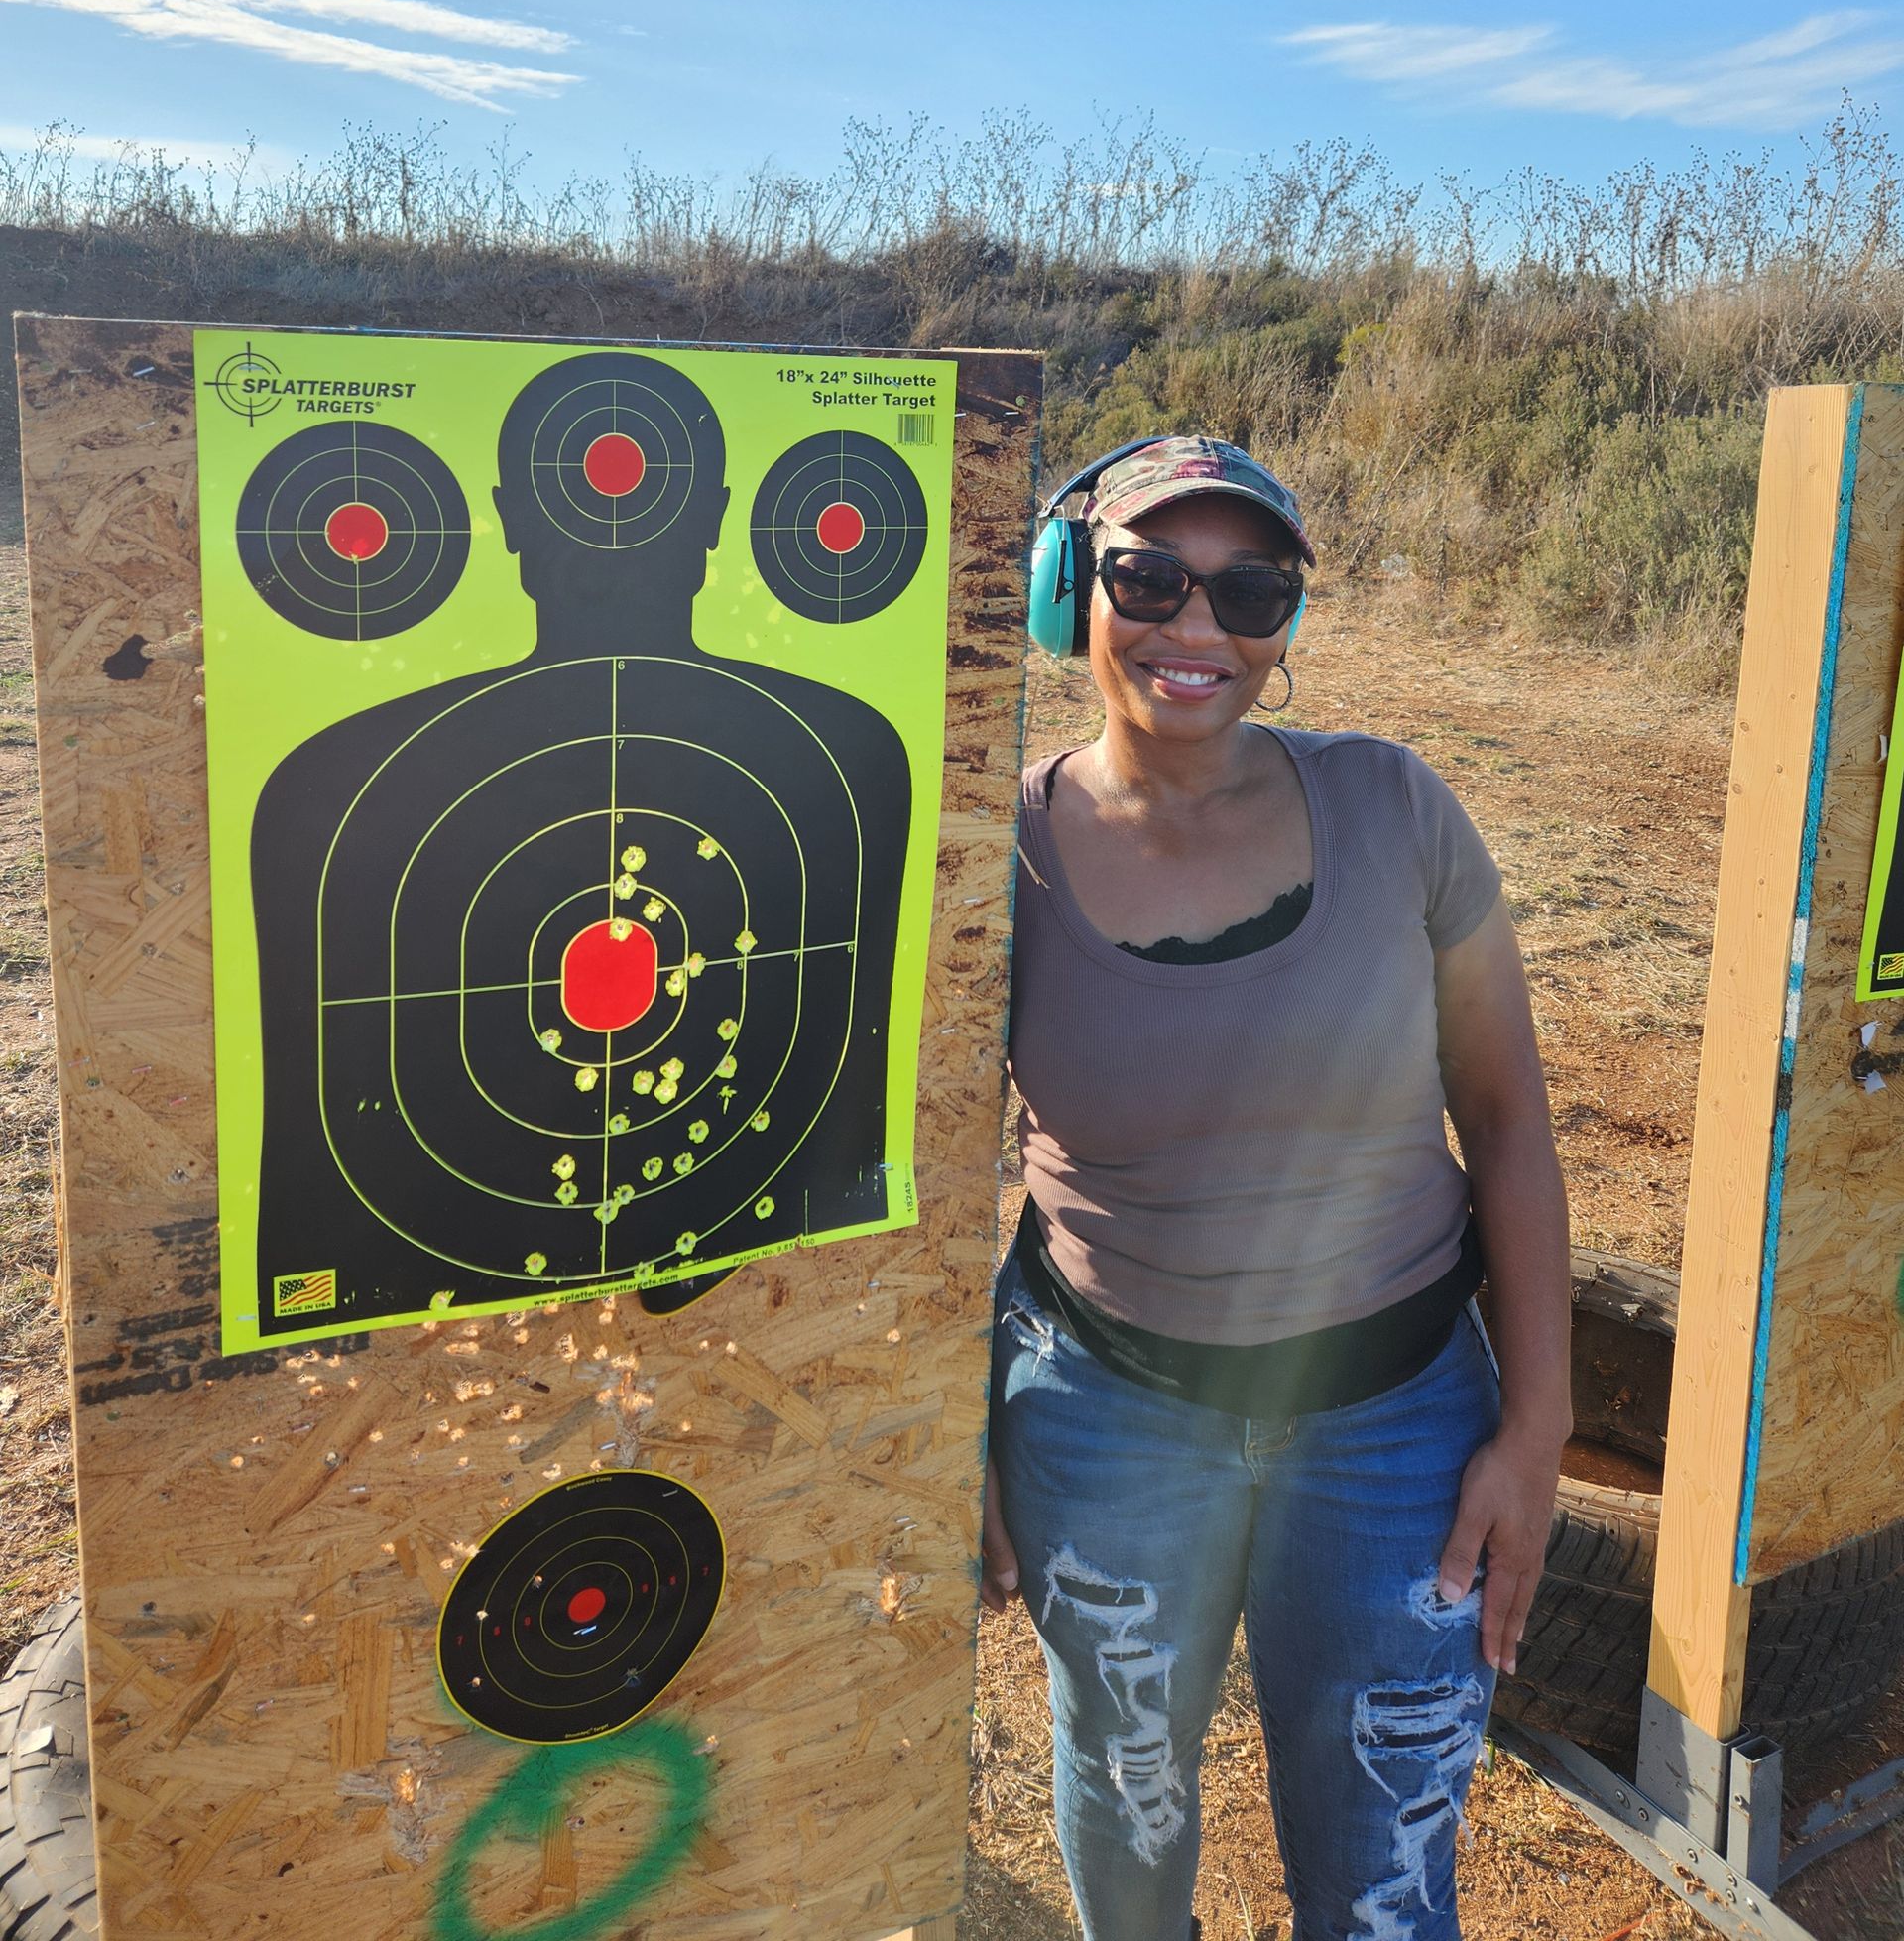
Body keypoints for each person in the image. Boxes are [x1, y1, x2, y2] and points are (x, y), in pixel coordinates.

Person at [984, 435, 1570, 1941]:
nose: (1200, 630)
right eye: (1148, 578)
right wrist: (957, 1431)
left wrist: (1536, 1430)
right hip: (1105, 1409)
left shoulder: (1397, 810)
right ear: (1070, 592)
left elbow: (1506, 1117)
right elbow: (923, 1189)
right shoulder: (1000, 861)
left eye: (1250, 592)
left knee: (1385, 1863)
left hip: (1397, 1422)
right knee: (1127, 1810)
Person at [248, 349, 910, 1340]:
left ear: (507, 516)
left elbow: (327, 1179)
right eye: (584, 489)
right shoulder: (846, 748)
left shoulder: (333, 782)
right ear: (720, 517)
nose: (614, 522)